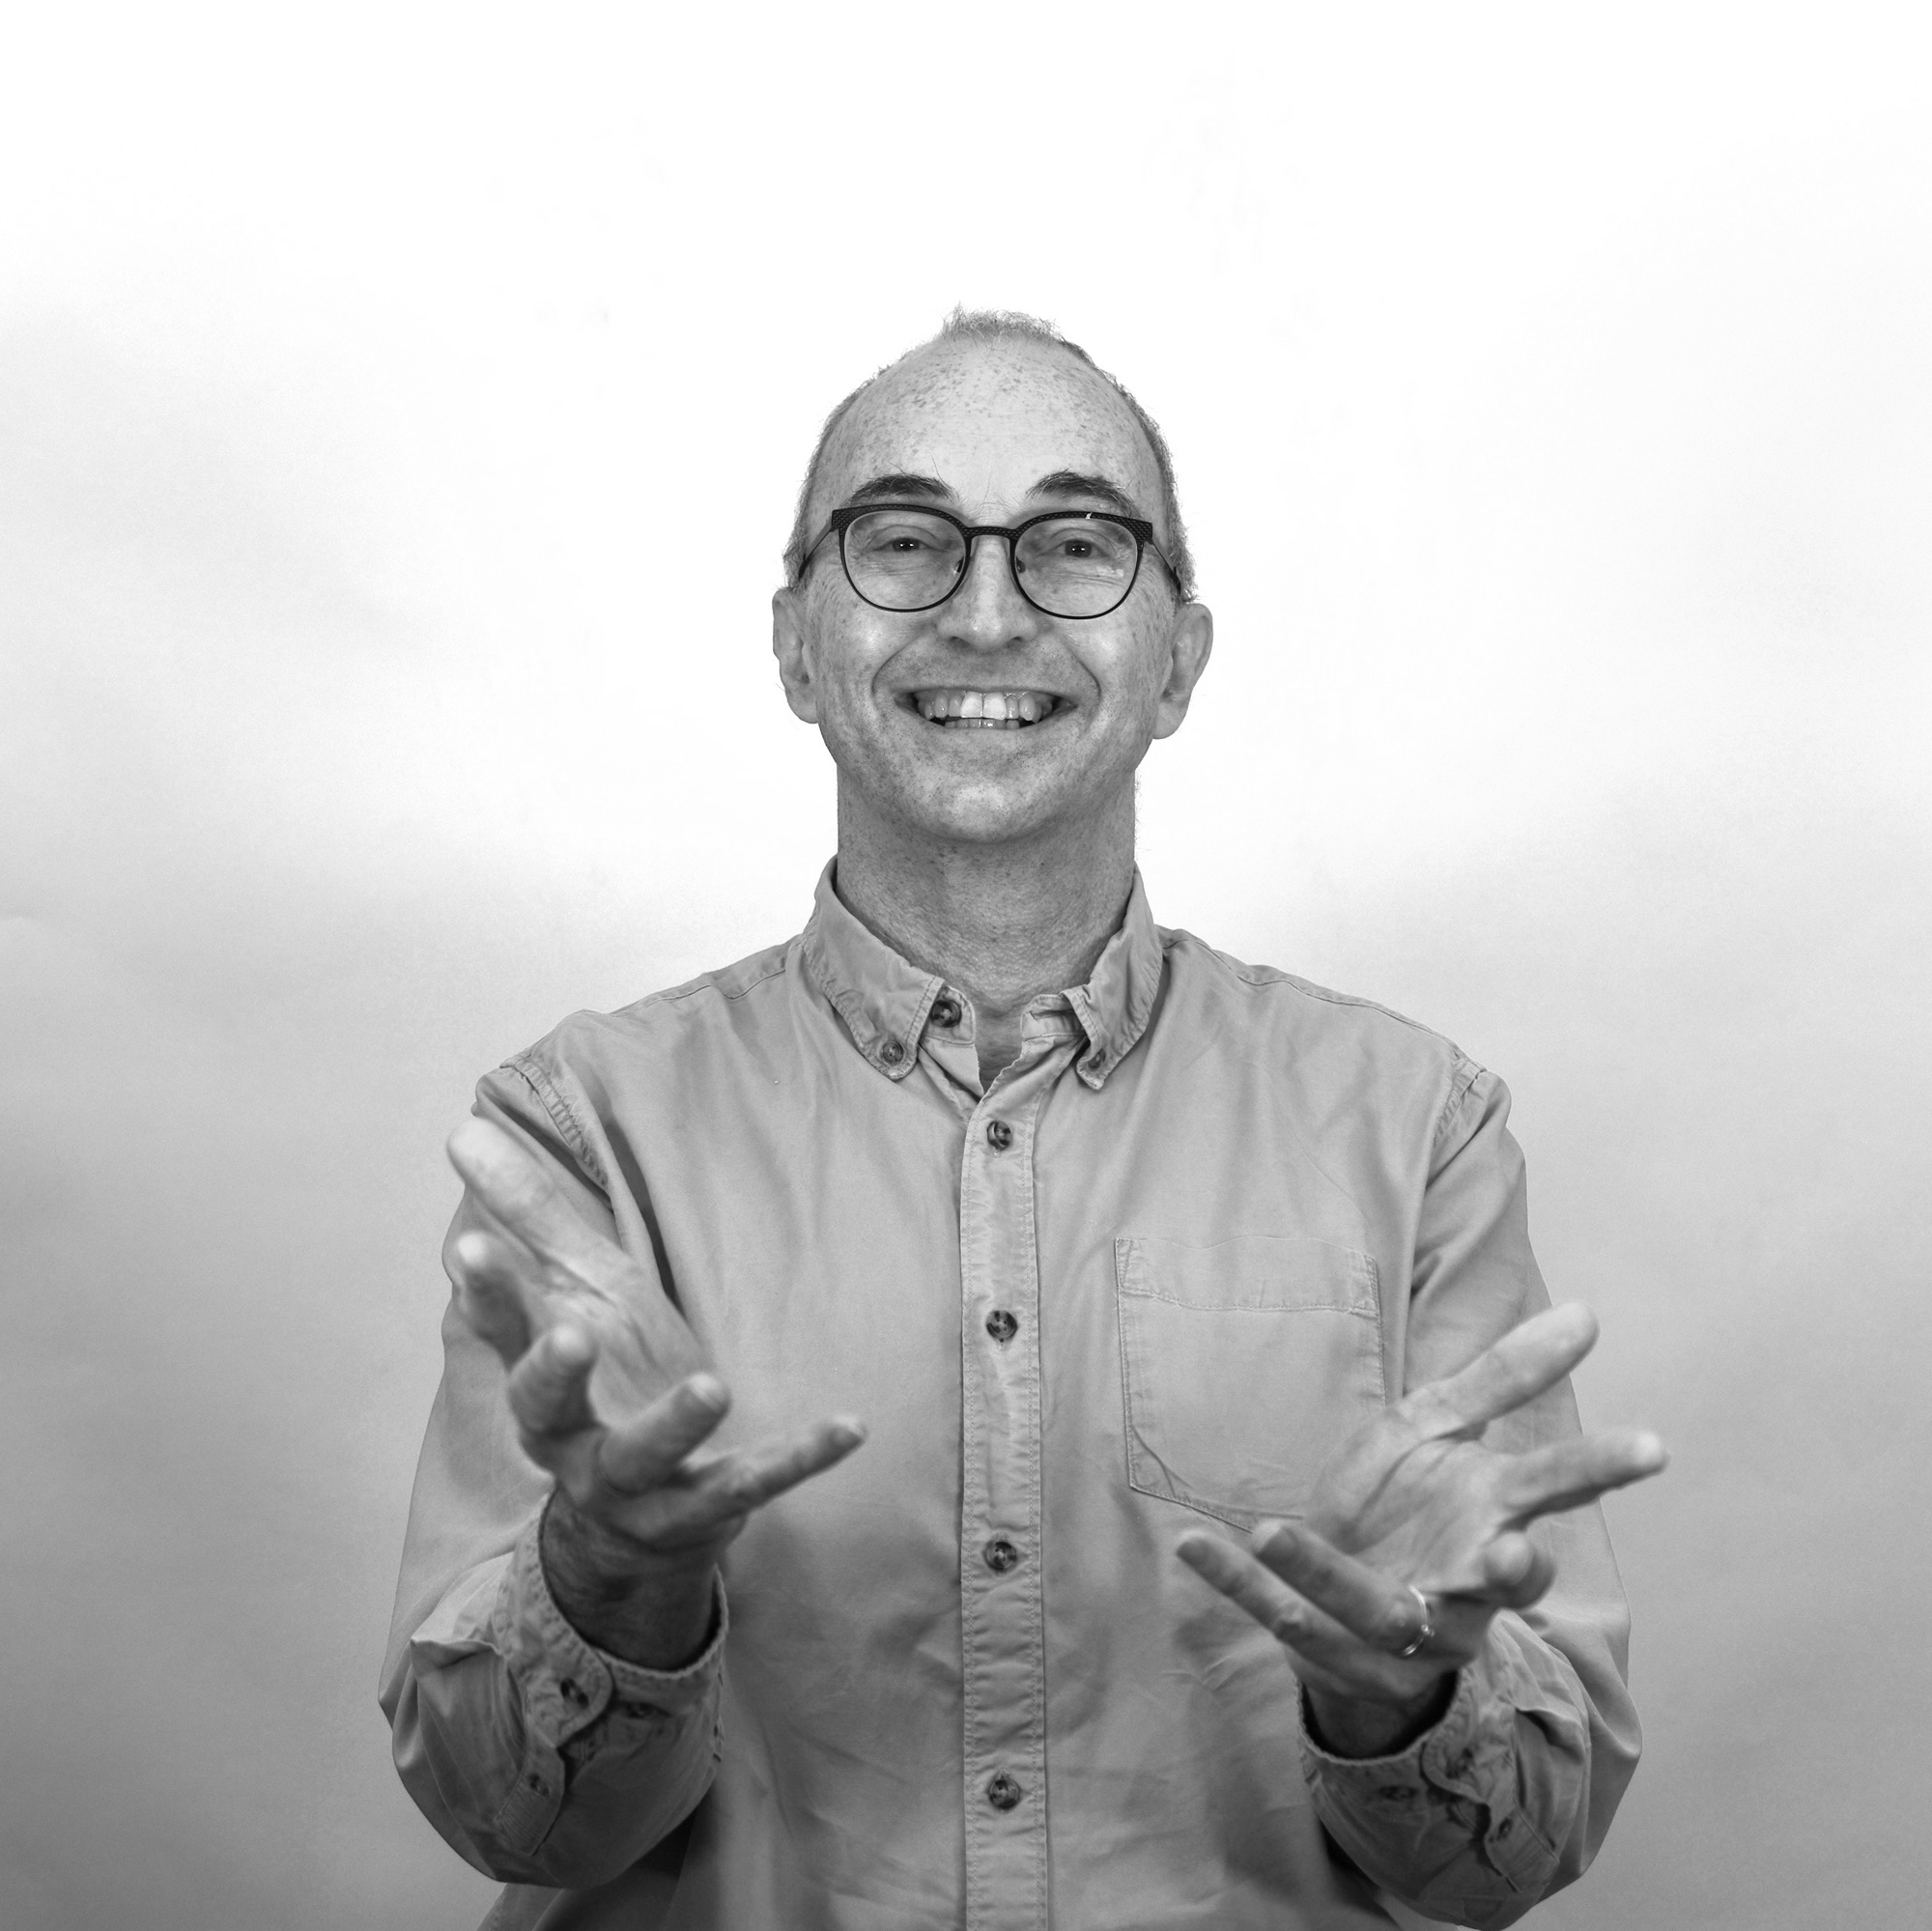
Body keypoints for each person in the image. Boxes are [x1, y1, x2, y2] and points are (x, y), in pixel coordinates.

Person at [381, 309, 1666, 1931]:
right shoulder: (582, 1136)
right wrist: (607, 1575)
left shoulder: (1417, 1131)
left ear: (1180, 659)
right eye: (902, 538)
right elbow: (509, 1822)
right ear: (794, 644)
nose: (986, 613)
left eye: (1075, 545)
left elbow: (1525, 1849)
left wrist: (1398, 1684)